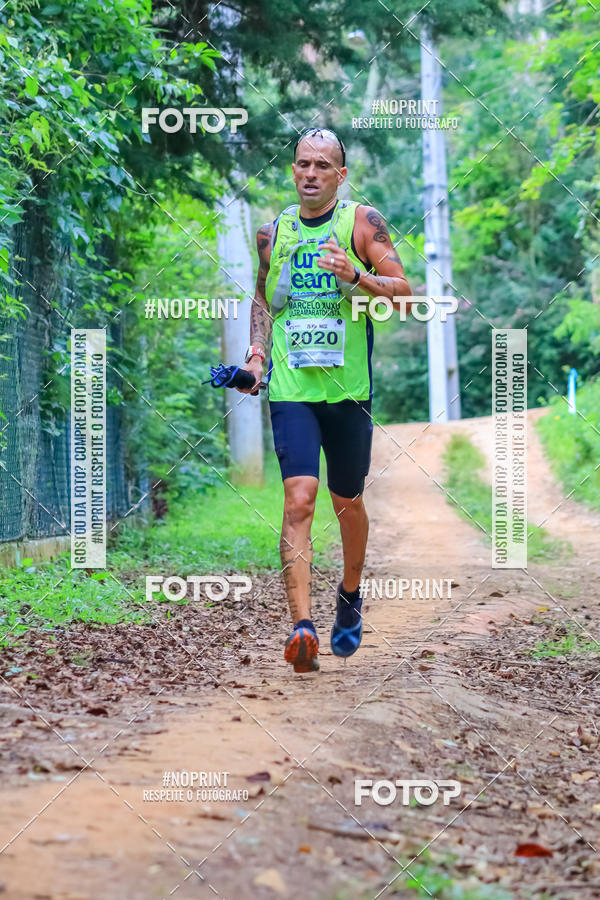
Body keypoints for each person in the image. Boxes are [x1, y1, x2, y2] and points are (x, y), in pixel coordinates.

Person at [238, 127, 412, 672]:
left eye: (322, 165)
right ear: (292, 171)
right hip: (291, 389)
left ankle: (351, 593)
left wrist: (356, 276)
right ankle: (302, 628)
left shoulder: (361, 223)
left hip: (347, 392)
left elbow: (405, 295)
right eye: (301, 164)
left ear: (341, 174)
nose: (309, 173)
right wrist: (256, 357)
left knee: (347, 502)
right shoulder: (273, 232)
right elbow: (264, 300)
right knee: (299, 501)